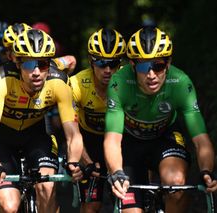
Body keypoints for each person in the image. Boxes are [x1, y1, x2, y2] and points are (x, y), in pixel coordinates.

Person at [103, 26, 217, 213]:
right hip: (130, 142)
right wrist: (116, 172)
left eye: (158, 66)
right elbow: (112, 138)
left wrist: (206, 171)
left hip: (165, 137)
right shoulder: (119, 83)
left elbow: (200, 139)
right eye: (143, 66)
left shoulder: (180, 82)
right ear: (133, 65)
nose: (151, 75)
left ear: (168, 63)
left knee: (176, 186)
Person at [0, 29, 83, 213]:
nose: (36, 72)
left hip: (37, 135)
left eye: (43, 64)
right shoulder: (1, 78)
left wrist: (74, 161)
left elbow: (73, 133)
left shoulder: (59, 81)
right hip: (4, 139)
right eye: (28, 64)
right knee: (9, 206)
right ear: (17, 62)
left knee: (47, 187)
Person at [69, 28, 126, 212]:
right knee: (91, 206)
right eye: (101, 63)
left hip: (121, 142)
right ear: (91, 62)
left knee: (129, 203)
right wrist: (86, 161)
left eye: (114, 63)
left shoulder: (130, 83)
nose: (108, 70)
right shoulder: (77, 84)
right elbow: (72, 131)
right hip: (89, 142)